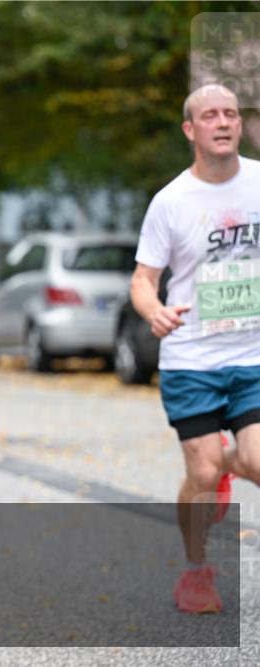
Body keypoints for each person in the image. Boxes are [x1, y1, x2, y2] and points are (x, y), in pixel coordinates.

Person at [131, 84, 260, 614]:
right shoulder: (172, 201)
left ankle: (233, 457)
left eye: (231, 113)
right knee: (202, 475)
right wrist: (153, 310)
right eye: (211, 115)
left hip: (252, 356)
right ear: (191, 130)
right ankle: (195, 570)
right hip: (191, 360)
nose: (224, 122)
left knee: (256, 459)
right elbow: (142, 279)